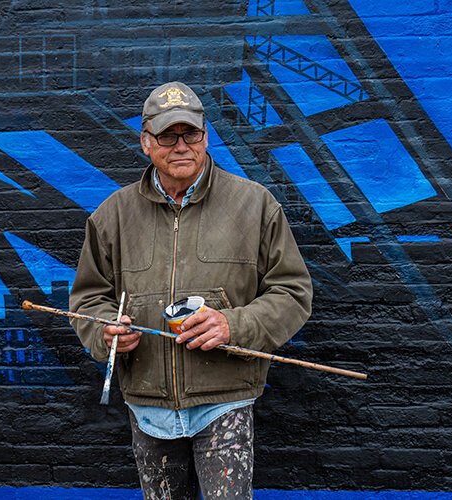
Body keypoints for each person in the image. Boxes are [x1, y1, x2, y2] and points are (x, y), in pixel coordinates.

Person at [69, 81, 312, 499]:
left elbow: (293, 291)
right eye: (167, 135)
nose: (181, 145)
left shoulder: (255, 205)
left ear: (206, 136)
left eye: (190, 133)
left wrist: (234, 324)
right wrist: (105, 331)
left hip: (225, 399)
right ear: (146, 143)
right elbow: (88, 299)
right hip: (147, 403)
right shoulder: (113, 215)